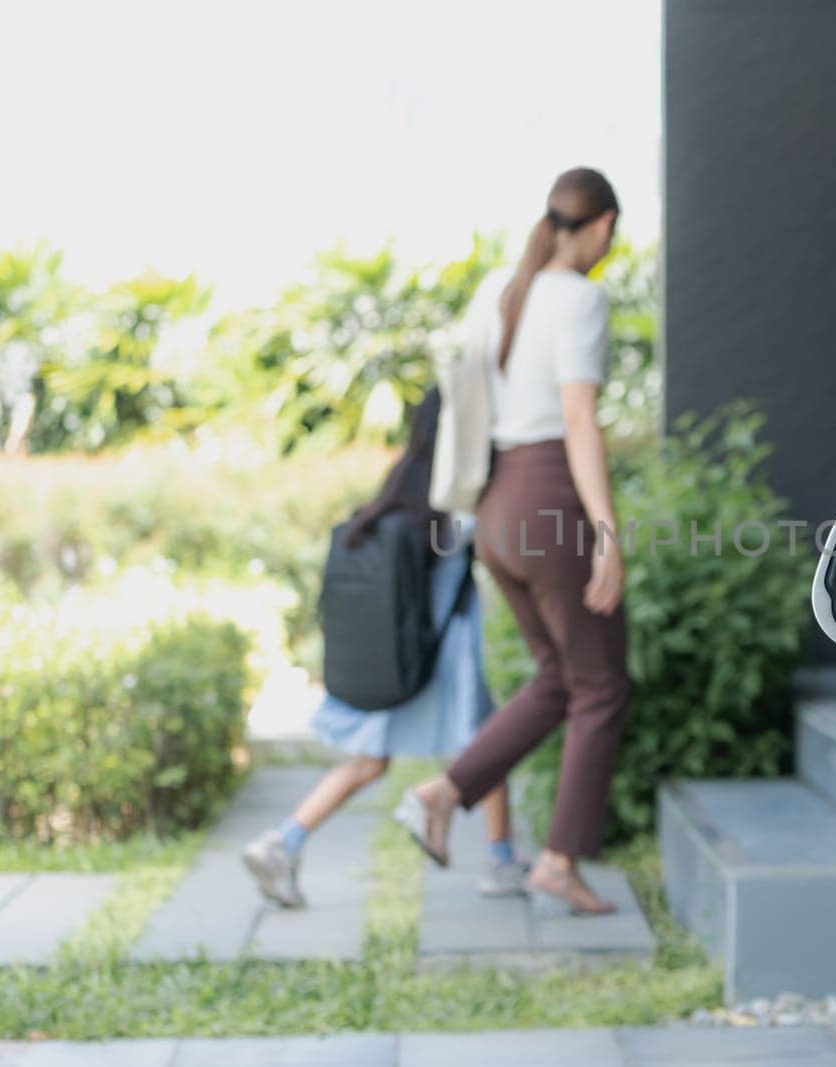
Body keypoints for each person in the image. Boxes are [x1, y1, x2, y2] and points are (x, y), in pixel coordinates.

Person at [394, 167, 630, 916]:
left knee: (559, 678)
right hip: (552, 497)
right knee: (600, 685)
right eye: (610, 236)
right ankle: (558, 859)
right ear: (599, 228)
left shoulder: (501, 287)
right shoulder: (582, 297)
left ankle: (443, 791)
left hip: (497, 508)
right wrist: (605, 531)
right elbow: (579, 418)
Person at [241, 394, 523, 908]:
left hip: (399, 655)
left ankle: (283, 841)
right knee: (490, 748)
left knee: (369, 763)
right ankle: (501, 862)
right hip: (441, 654)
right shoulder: (457, 495)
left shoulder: (401, 485)